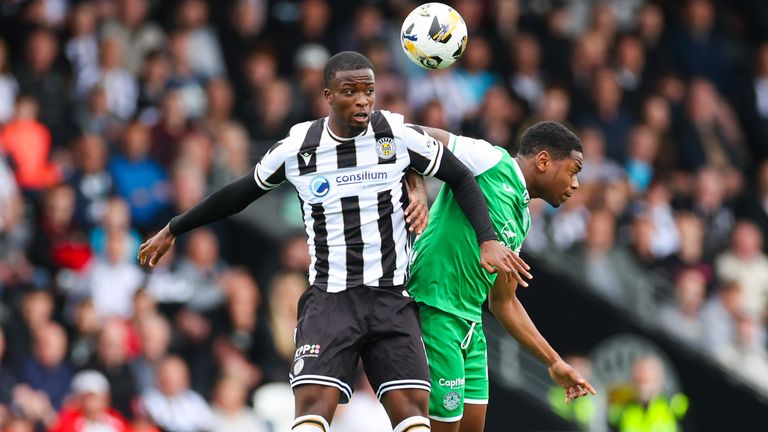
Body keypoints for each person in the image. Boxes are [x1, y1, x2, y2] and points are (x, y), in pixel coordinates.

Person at [138, 51, 524, 432]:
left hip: (391, 299)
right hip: (330, 300)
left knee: (413, 416)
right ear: (328, 95)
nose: (362, 100)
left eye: (368, 91)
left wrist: (487, 239)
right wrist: (175, 228)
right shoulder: (298, 146)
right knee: (311, 411)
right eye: (350, 91)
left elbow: (461, 177)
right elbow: (239, 193)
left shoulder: (394, 134)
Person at [406, 121, 596, 432]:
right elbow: (411, 133)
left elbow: (504, 302)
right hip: (435, 310)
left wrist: (553, 361)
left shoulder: (522, 218)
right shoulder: (490, 160)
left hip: (471, 327)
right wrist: (416, 188)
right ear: (544, 161)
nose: (576, 184)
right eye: (574, 171)